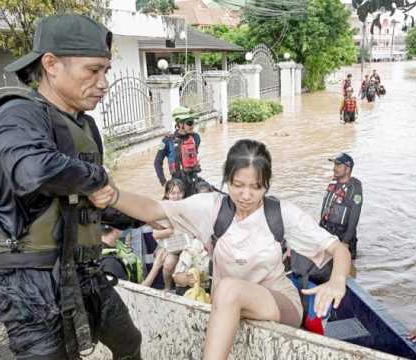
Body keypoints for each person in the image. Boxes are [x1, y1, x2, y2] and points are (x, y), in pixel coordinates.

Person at [0, 14, 141, 359]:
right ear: (50, 64)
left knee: (128, 341)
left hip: (85, 270)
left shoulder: (85, 126)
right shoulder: (18, 114)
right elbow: (32, 171)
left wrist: (143, 215)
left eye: (105, 71)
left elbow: (84, 204)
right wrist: (99, 179)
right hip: (31, 283)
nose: (103, 82)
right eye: (92, 71)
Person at [89, 139, 352, 360]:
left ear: (266, 186)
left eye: (255, 187)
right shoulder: (211, 209)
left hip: (278, 304)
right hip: (226, 304)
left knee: (229, 288)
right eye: (238, 185)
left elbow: (338, 248)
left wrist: (337, 280)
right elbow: (154, 209)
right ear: (227, 180)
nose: (246, 195)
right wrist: (114, 196)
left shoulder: (283, 214)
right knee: (227, 293)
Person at [319, 153, 363, 260]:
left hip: (342, 237)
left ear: (347, 169)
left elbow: (354, 218)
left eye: (338, 166)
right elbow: (325, 211)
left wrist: (345, 242)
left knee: (345, 272)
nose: (334, 168)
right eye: (334, 165)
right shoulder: (333, 184)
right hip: (327, 234)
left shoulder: (354, 189)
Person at [154, 106, 202, 197]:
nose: (192, 126)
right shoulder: (167, 141)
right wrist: (164, 182)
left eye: (193, 122)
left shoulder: (196, 138)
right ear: (180, 124)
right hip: (177, 185)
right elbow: (157, 162)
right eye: (189, 123)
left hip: (193, 181)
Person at [100, 224, 167, 287]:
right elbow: (135, 293)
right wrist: (156, 266)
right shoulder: (111, 263)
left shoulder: (115, 243)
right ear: (114, 228)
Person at [152, 178, 186, 290]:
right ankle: (167, 288)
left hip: (187, 245)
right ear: (167, 194)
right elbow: (155, 234)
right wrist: (171, 230)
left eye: (179, 193)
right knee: (168, 265)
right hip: (171, 246)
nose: (176, 196)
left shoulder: (188, 206)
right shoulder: (161, 209)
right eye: (173, 193)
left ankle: (182, 287)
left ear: (183, 193)